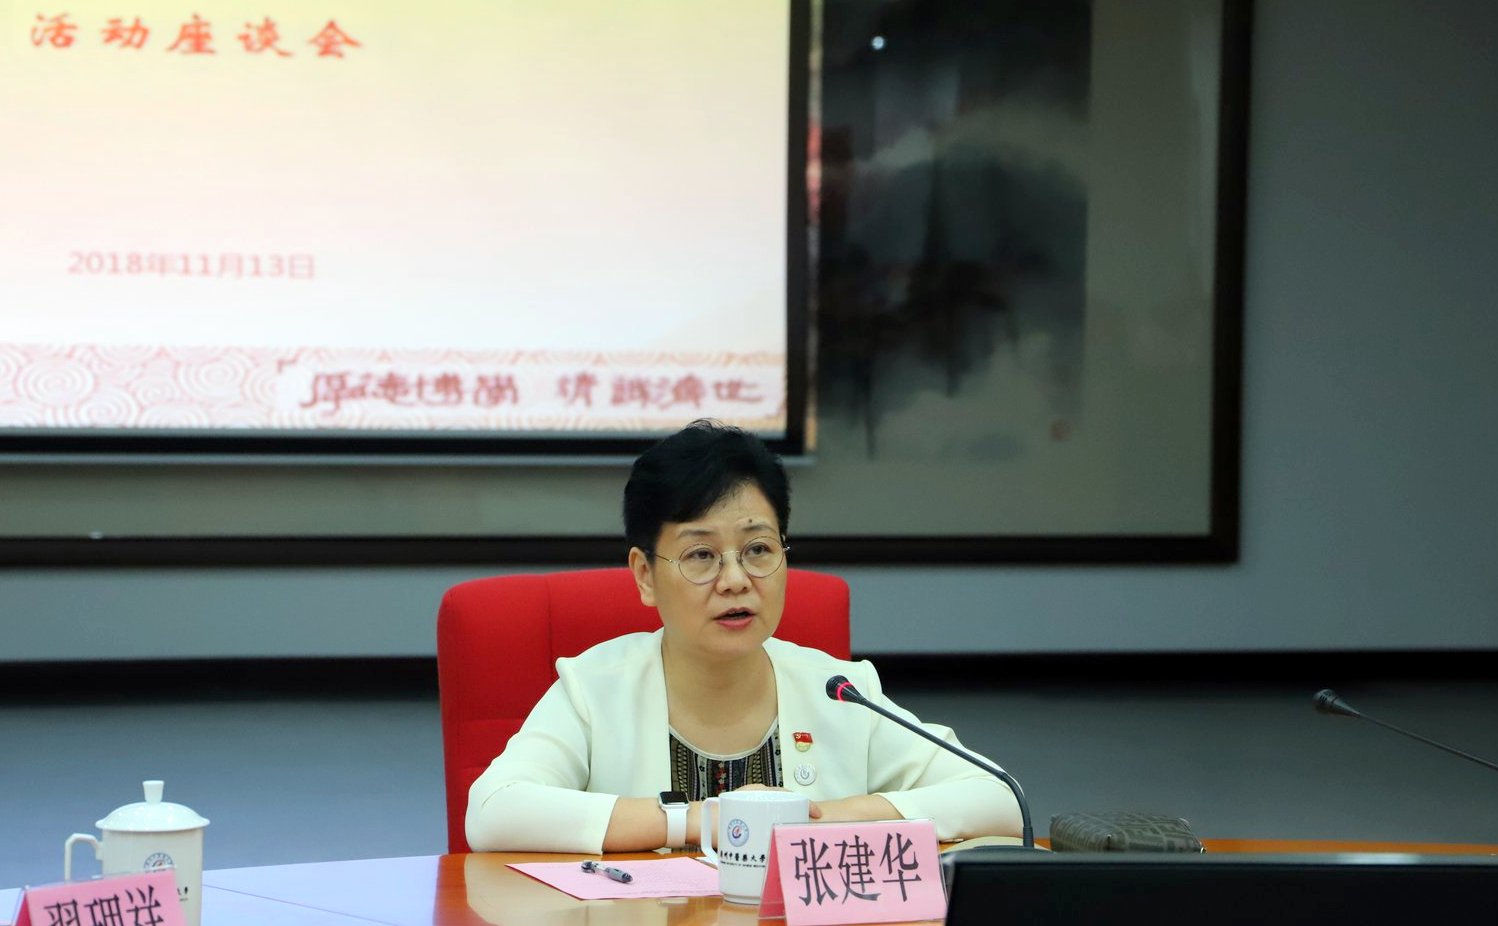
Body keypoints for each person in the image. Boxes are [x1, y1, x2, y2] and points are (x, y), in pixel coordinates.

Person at [466, 420, 1023, 853]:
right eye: (701, 555)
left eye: (758, 549)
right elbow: (493, 811)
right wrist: (703, 821)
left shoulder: (840, 690)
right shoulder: (593, 689)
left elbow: (1000, 797)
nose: (735, 580)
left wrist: (825, 818)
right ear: (645, 575)